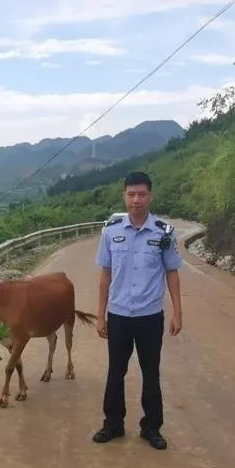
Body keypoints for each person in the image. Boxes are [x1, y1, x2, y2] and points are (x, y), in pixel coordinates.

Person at [92, 171, 183, 450]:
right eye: (131, 194)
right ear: (124, 196)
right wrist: (100, 314)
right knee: (115, 372)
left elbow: (172, 273)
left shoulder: (163, 233)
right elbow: (105, 275)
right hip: (119, 315)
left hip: (150, 317)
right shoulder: (111, 232)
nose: (136, 200)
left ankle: (152, 427)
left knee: (150, 373)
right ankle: (113, 424)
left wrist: (178, 312)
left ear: (150, 196)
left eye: (142, 194)